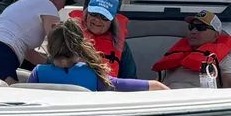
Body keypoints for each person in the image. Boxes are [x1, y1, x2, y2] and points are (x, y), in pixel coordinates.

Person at [28, 19, 168, 91]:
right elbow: (123, 84)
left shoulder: (38, 73)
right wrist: (157, 85)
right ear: (80, 48)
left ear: (49, 49)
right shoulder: (92, 75)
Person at [151, 9, 231, 88]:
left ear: (215, 35)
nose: (193, 31)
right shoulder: (174, 53)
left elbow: (230, 84)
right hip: (167, 100)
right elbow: (156, 84)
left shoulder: (224, 59)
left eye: (201, 28)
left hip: (197, 102)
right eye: (191, 27)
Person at [80, 0, 130, 75]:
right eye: (94, 13)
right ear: (87, 13)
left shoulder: (122, 47)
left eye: (104, 16)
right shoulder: (69, 35)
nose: (97, 20)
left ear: (111, 22)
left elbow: (131, 80)